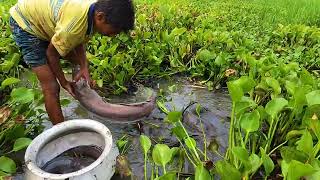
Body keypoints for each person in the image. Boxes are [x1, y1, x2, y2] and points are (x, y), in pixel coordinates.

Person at [9, 0, 135, 125]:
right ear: (100, 17)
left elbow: (79, 38)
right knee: (52, 86)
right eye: (115, 30)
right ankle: (61, 133)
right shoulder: (72, 27)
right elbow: (51, 54)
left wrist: (84, 67)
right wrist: (63, 82)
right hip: (25, 23)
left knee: (77, 60)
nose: (114, 35)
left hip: (45, 19)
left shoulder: (92, 11)